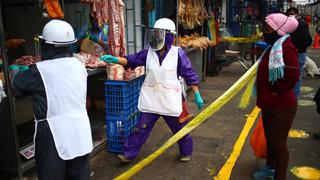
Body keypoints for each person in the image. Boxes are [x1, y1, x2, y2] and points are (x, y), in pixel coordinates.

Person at [100, 18, 204, 162]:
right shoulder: (148, 53)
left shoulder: (177, 54)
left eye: (159, 33)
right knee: (140, 129)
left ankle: (186, 151)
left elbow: (189, 74)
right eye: (155, 33)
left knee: (180, 129)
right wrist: (116, 60)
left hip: (171, 100)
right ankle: (128, 154)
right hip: (151, 100)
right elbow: (132, 60)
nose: (156, 36)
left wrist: (197, 95)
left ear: (168, 36)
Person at [10, 19, 93, 180]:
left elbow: (17, 82)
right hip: (80, 130)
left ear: (46, 45)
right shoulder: (78, 65)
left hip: (53, 133)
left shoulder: (40, 71)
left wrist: (14, 69)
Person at [253, 13, 299, 180]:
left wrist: (276, 90)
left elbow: (293, 75)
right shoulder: (276, 45)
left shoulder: (285, 47)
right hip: (271, 103)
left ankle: (279, 176)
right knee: (271, 140)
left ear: (279, 30)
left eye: (268, 29)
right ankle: (270, 169)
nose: (265, 32)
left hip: (281, 106)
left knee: (279, 144)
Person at [286, 7, 313, 99]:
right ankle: (292, 97)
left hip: (299, 54)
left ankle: (294, 98)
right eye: (289, 14)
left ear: (297, 14)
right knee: (292, 76)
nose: (291, 15)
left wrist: (297, 48)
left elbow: (308, 40)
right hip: (294, 53)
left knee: (296, 77)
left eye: (293, 13)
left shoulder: (299, 25)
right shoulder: (291, 25)